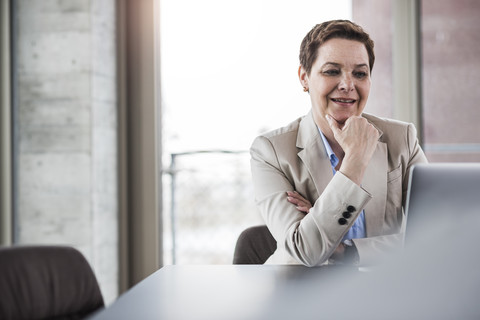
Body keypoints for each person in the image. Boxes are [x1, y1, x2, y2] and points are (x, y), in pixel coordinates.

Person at [250, 19, 427, 267]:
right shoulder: (271, 151)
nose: (347, 85)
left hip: (386, 290)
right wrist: (355, 161)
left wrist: (347, 252)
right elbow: (305, 249)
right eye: (332, 71)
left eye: (360, 73)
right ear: (304, 77)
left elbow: (438, 236)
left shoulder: (402, 139)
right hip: (300, 293)